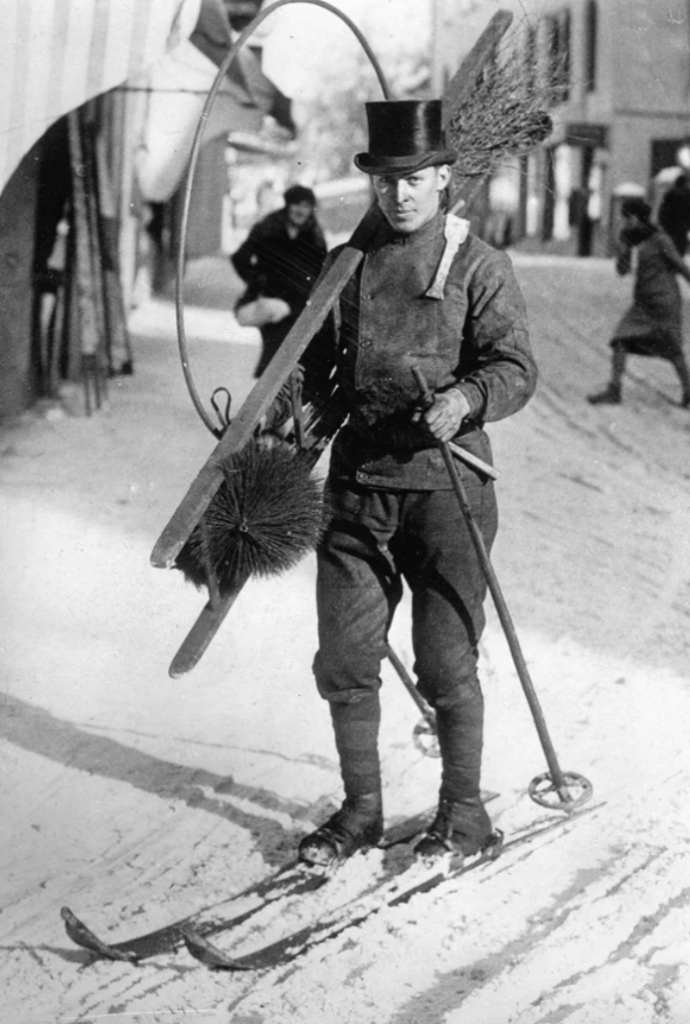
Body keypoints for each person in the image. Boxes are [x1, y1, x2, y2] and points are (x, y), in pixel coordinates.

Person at [290, 100, 538, 868]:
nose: (399, 195)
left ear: (443, 180)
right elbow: (313, 366)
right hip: (359, 488)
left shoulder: (476, 264)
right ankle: (362, 811)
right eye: (387, 181)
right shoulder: (346, 265)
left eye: (415, 180)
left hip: (447, 491)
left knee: (443, 663)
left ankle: (464, 816)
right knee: (344, 657)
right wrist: (287, 411)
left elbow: (515, 367)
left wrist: (465, 399)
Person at [588, 197, 690, 408]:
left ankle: (688, 391)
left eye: (628, 218)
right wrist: (623, 251)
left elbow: (679, 265)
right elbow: (622, 271)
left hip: (664, 302)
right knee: (620, 340)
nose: (625, 223)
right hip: (644, 302)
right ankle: (614, 390)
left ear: (637, 217)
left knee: (672, 348)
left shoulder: (660, 239)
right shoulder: (634, 240)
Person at [231, 184, 328, 377]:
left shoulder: (314, 233)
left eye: (306, 206)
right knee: (275, 351)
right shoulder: (268, 227)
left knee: (302, 354)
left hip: (301, 301)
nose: (301, 211)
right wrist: (257, 279)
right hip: (273, 299)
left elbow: (323, 267)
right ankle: (271, 399)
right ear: (287, 205)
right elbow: (240, 257)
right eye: (296, 205)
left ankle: (286, 399)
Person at [657, 171, 690, 257]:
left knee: (670, 247)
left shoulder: (670, 193)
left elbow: (663, 210)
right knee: (680, 247)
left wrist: (662, 222)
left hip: (670, 225)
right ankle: (678, 263)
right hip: (683, 226)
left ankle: (671, 264)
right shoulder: (687, 194)